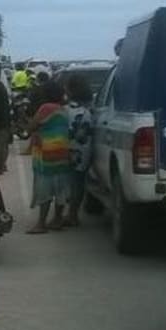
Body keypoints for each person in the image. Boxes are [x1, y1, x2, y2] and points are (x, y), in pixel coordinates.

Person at [27, 81, 71, 234]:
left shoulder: (46, 108)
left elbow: (31, 126)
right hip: (62, 153)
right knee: (60, 189)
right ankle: (57, 219)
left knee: (44, 189)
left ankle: (41, 223)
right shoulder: (64, 109)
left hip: (46, 154)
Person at [64, 74, 94, 227]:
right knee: (79, 182)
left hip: (70, 150)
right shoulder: (89, 108)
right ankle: (73, 214)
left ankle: (71, 215)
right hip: (84, 150)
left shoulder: (69, 109)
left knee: (72, 183)